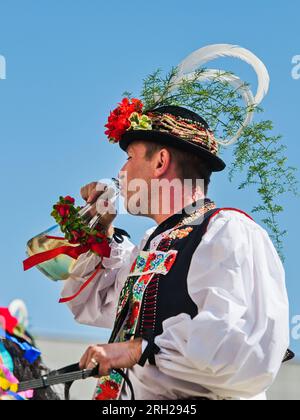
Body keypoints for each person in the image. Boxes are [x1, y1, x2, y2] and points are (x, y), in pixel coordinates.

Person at [61, 104, 290, 401]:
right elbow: (94, 304)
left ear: (160, 162)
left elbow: (241, 349)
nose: (121, 172)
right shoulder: (151, 244)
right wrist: (101, 233)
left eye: (129, 158)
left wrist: (139, 349)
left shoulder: (227, 231)